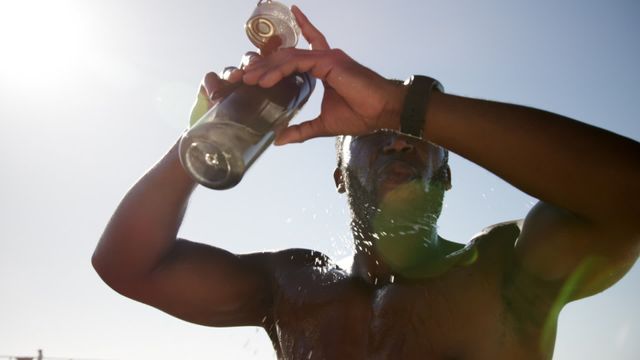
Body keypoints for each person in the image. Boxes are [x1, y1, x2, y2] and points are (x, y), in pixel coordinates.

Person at [92, 6, 640, 360]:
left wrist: (397, 104)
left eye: (412, 133)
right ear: (339, 174)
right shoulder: (291, 286)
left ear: (445, 174)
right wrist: (205, 136)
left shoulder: (504, 269)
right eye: (376, 132)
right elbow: (126, 265)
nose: (398, 139)